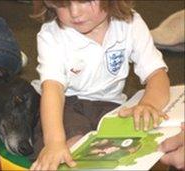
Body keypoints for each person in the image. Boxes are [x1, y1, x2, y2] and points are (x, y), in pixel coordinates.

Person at [29, 0, 170, 170]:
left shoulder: (130, 23)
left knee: (143, 141)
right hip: (66, 104)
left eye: (85, 1)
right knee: (74, 149)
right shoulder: (52, 34)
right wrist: (54, 143)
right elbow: (53, 89)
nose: (75, 12)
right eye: (63, 5)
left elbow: (156, 73)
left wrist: (149, 104)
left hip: (112, 105)